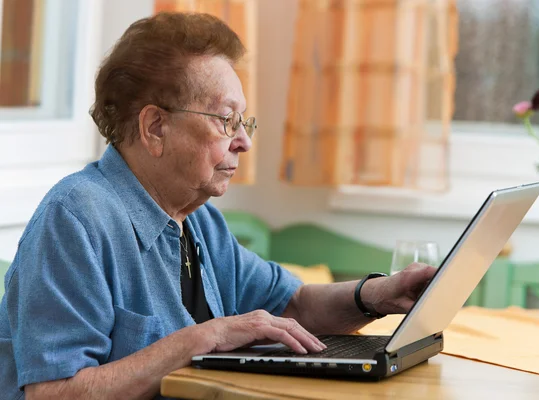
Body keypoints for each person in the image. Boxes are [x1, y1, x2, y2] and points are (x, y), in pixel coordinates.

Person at [0, 12, 436, 400]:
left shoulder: (199, 219)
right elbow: (54, 392)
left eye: (243, 121)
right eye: (226, 120)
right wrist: (200, 339)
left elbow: (293, 305)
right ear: (155, 127)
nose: (244, 141)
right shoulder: (74, 219)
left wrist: (378, 295)